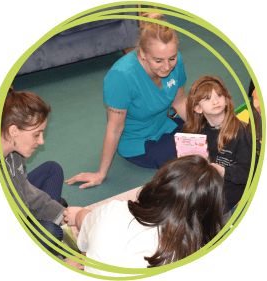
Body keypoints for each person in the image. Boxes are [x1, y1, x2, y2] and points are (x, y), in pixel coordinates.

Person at [66, 13, 188, 189]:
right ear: (143, 53)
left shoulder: (176, 61)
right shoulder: (121, 77)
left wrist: (200, 128)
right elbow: (115, 128)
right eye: (158, 60)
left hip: (164, 123)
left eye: (172, 58)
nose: (167, 67)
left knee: (209, 131)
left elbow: (180, 101)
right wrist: (101, 173)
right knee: (187, 156)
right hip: (138, 140)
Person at [62, 155, 225, 276]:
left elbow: (84, 238)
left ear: (158, 184)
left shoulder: (114, 209)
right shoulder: (193, 252)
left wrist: (80, 215)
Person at [0, 86, 67, 253]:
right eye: (36, 134)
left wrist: (62, 216)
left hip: (18, 204)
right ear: (13, 131)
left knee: (52, 170)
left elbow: (25, 190)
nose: (41, 141)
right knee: (51, 233)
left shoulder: (14, 152)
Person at [181, 76, 253, 214]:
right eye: (207, 99)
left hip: (230, 187)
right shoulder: (196, 133)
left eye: (219, 95)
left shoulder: (243, 132)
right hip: (204, 183)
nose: (215, 101)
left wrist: (223, 171)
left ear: (226, 100)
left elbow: (250, 172)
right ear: (197, 108)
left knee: (207, 213)